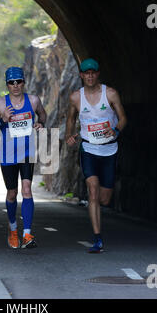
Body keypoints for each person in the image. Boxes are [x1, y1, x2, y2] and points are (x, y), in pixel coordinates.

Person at [65, 58, 127, 253]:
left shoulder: (110, 93)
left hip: (109, 149)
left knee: (104, 199)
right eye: (86, 73)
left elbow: (123, 117)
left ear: (97, 73)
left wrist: (116, 130)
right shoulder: (76, 97)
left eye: (93, 72)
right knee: (92, 190)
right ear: (81, 75)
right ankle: (97, 238)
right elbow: (71, 118)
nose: (90, 76)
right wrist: (69, 135)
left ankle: (96, 212)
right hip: (89, 149)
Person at [0, 66, 46, 249]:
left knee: (27, 189)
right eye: (11, 82)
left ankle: (27, 234)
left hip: (27, 152)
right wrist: (3, 120)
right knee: (12, 193)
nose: (16, 85)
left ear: (23, 82)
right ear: (7, 85)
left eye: (18, 81)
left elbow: (42, 114)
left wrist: (41, 123)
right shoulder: (0, 104)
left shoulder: (33, 101)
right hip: (8, 154)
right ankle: (12, 229)